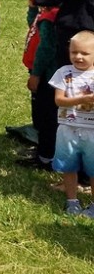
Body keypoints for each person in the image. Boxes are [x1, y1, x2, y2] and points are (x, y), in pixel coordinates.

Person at [49, 30, 94, 216]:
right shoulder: (63, 73)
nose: (78, 57)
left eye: (85, 53)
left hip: (92, 131)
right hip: (68, 129)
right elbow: (59, 100)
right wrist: (82, 99)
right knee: (69, 167)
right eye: (74, 52)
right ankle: (72, 201)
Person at [22, 0, 60, 171]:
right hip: (39, 70)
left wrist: (36, 74)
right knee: (40, 113)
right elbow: (34, 27)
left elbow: (46, 48)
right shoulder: (44, 14)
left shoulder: (51, 16)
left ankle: (46, 156)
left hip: (46, 74)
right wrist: (32, 10)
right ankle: (43, 149)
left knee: (47, 116)